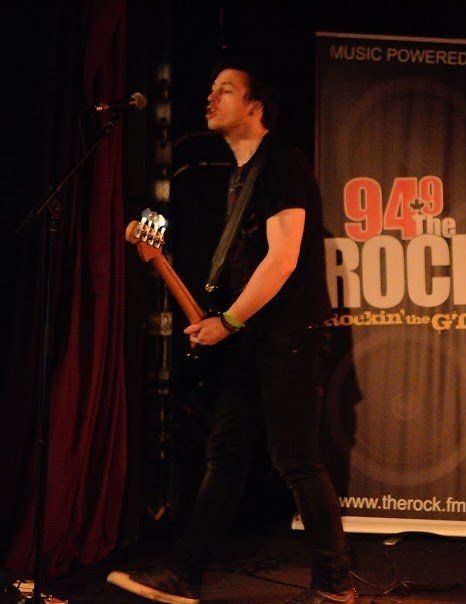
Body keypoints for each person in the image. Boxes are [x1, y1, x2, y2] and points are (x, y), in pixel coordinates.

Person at [107, 58, 355, 604]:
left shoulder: (282, 163)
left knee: (296, 462)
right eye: (211, 89)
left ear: (255, 106)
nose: (210, 98)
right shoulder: (241, 176)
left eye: (225, 90)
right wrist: (223, 320)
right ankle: (183, 573)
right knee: (224, 456)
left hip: (289, 337)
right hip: (255, 340)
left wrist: (229, 321)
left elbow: (283, 258)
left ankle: (336, 583)